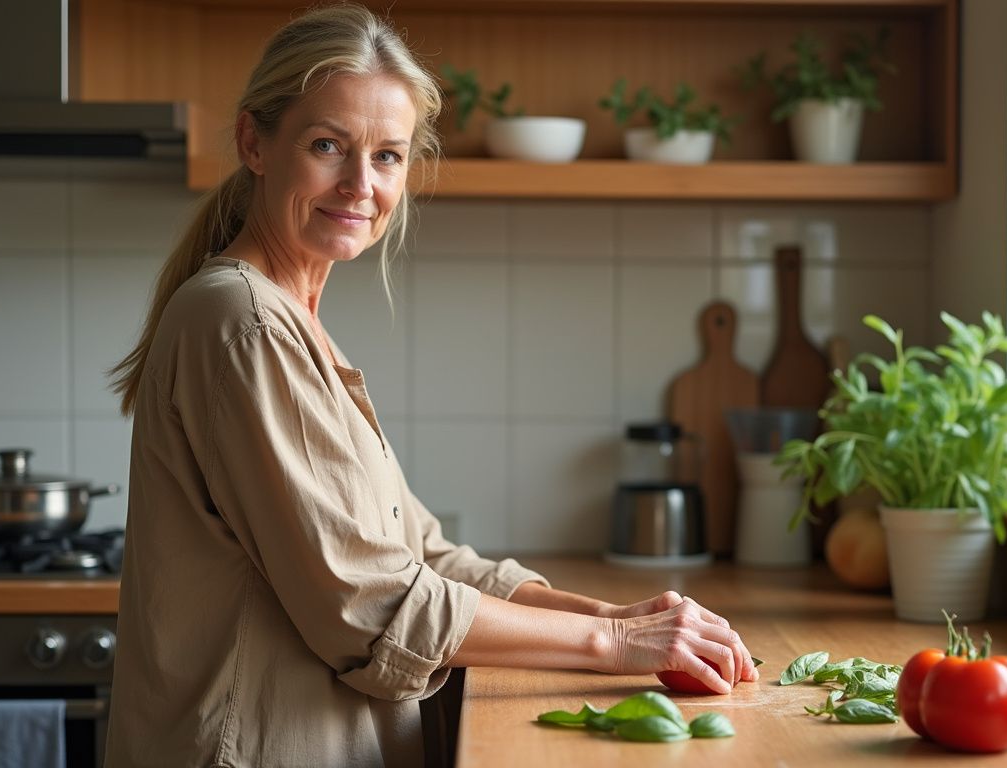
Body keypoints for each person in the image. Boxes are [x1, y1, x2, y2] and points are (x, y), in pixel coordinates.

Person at [102, 5, 756, 766]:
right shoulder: (242, 321)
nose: (360, 184)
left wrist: (622, 617)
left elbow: (425, 555)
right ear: (255, 142)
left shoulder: (286, 319)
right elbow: (369, 603)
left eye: (387, 156)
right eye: (327, 146)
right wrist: (612, 641)